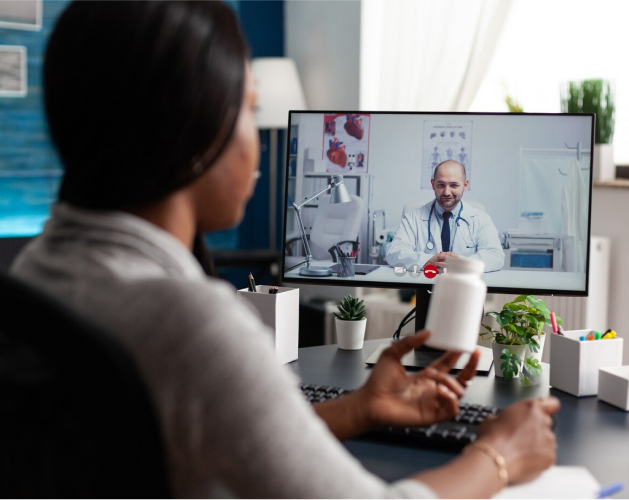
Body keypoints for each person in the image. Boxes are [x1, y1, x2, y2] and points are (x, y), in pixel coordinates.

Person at [11, 1, 559, 499]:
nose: (258, 146)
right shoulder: (190, 324)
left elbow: (205, 438)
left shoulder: (36, 271)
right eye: (249, 110)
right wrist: (500, 457)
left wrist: (360, 408)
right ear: (195, 129)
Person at [386, 160, 505, 273]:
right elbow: (394, 253)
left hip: (464, 285)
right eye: (441, 185)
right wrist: (428, 261)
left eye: (454, 185)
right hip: (423, 284)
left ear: (465, 185)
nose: (447, 192)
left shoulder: (480, 218)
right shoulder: (412, 217)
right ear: (433, 184)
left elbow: (495, 255)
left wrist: (462, 264)